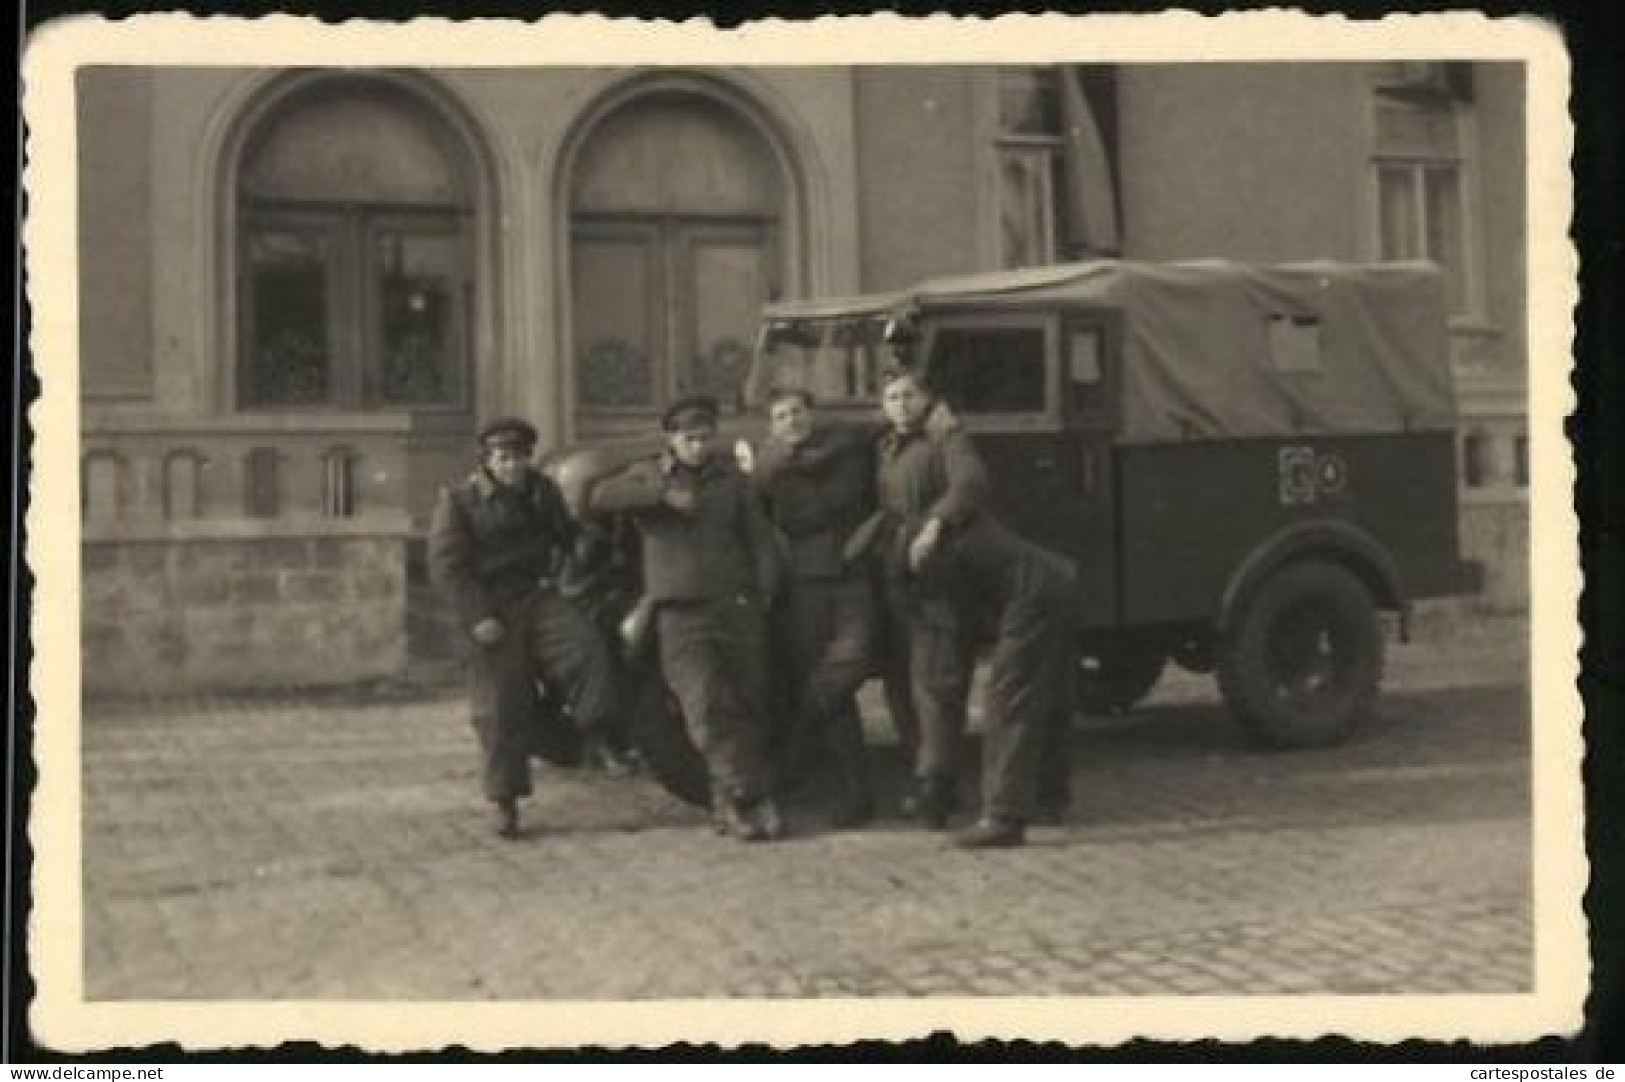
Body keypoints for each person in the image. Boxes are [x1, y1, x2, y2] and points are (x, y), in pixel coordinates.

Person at [587, 396, 786, 842]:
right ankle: (749, 795)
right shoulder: (648, 474)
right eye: (687, 438)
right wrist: (660, 494)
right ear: (670, 439)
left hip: (736, 608)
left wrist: (764, 592)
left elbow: (759, 540)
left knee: (748, 703)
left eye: (703, 437)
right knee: (706, 707)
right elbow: (598, 495)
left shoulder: (730, 480)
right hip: (680, 613)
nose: (696, 446)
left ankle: (727, 802)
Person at [427, 417, 630, 840]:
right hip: (489, 606)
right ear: (487, 460)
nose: (512, 466)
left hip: (537, 597)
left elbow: (566, 534)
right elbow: (448, 569)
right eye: (503, 458)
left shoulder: (541, 492)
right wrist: (478, 617)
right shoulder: (459, 501)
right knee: (499, 704)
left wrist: (587, 546)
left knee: (588, 649)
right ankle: (505, 803)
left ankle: (584, 740)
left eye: (519, 457)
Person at [861, 366, 990, 829]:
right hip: (897, 573)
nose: (900, 404)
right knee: (901, 678)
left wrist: (937, 524)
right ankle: (927, 773)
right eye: (891, 396)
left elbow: (970, 483)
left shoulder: (947, 439)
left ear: (927, 399)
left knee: (935, 680)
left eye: (909, 395)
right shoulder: (886, 446)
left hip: (938, 574)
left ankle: (937, 788)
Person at [753, 388, 879, 829]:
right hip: (803, 584)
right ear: (772, 425)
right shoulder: (769, 466)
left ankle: (792, 757)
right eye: (781, 415)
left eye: (797, 411)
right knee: (825, 683)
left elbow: (846, 489)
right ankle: (854, 794)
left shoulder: (843, 450)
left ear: (813, 414)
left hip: (850, 577)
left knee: (847, 667)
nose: (791, 420)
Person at [923, 514, 1081, 848]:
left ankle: (1003, 818)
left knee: (1006, 702)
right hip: (1057, 582)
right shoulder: (953, 530)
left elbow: (957, 631)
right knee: (1049, 697)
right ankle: (1049, 799)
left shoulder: (938, 556)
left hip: (1031, 597)